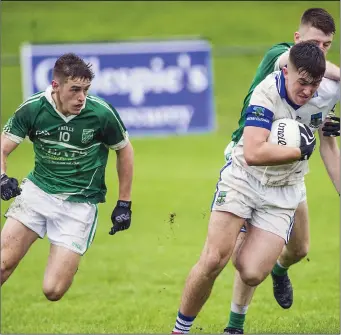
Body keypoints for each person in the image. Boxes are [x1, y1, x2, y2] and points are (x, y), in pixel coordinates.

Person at [171, 41, 339, 335]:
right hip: (244, 179)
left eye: (314, 85)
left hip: (283, 191)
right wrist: (300, 149)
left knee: (251, 272)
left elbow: (328, 140)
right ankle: (180, 330)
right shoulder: (266, 92)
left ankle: (245, 234)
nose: (307, 91)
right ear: (287, 71)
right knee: (213, 259)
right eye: (302, 82)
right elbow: (253, 152)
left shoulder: (324, 96)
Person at [222, 8, 340, 334]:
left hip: (291, 174)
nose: (319, 52)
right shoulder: (280, 56)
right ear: (298, 40)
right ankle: (235, 324)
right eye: (314, 43)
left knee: (300, 249)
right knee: (244, 256)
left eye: (327, 45)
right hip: (249, 164)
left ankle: (279, 270)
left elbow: (327, 144)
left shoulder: (322, 89)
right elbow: (300, 60)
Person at [0, 53, 134, 301]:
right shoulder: (33, 109)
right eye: (74, 89)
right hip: (37, 193)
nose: (81, 97)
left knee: (53, 290)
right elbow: (3, 146)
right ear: (56, 86)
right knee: (2, 265)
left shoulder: (101, 113)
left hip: (79, 204)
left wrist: (124, 202)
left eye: (85, 89)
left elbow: (124, 150)